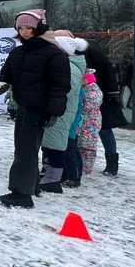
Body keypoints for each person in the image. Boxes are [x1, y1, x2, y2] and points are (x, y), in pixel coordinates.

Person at [0, 9, 71, 209]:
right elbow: (6, 76)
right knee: (25, 148)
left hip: (40, 108)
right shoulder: (17, 52)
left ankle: (21, 194)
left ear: (39, 28)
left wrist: (53, 111)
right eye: (21, 28)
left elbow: (60, 86)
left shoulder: (54, 53)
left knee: (25, 151)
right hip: (24, 106)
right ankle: (33, 186)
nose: (25, 31)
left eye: (29, 27)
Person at [39, 31, 86, 194]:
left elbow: (66, 88)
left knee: (56, 145)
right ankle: (47, 173)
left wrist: (45, 93)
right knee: (50, 144)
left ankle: (53, 180)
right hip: (57, 107)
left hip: (61, 111)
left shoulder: (70, 66)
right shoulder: (65, 63)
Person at [84, 41, 128, 177]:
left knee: (104, 129)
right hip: (84, 94)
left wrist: (112, 91)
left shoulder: (89, 51)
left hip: (99, 94)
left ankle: (112, 163)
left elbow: (107, 67)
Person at [77, 73, 104, 176]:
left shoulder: (93, 89)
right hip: (84, 121)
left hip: (91, 122)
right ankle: (81, 164)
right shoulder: (86, 88)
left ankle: (87, 166)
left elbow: (90, 104)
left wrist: (79, 105)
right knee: (80, 143)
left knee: (88, 146)